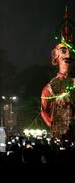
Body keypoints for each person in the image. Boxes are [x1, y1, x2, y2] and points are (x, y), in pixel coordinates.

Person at [41, 7, 75, 137]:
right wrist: (52, 124)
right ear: (56, 56)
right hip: (58, 133)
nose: (68, 55)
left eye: (71, 52)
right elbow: (44, 111)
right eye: (63, 51)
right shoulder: (49, 88)